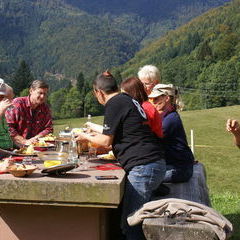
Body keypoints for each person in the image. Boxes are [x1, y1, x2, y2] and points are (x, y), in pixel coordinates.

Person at [75, 71, 166, 240]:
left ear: (99, 92)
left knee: (130, 224)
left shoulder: (114, 103)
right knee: (132, 221)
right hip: (152, 163)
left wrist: (84, 136)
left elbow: (106, 141)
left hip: (143, 167)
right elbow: (119, 132)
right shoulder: (126, 99)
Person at [149, 83, 194, 183]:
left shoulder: (170, 119)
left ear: (167, 98)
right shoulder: (167, 115)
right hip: (176, 166)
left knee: (144, 177)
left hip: (179, 169)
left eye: (156, 98)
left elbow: (150, 140)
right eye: (152, 99)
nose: (153, 102)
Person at [5, 80, 53, 146]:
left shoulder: (45, 108)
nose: (42, 96)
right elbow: (8, 127)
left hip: (35, 146)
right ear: (31, 91)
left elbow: (49, 128)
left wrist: (35, 138)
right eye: (40, 93)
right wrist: (24, 141)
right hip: (14, 146)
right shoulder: (18, 104)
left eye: (44, 94)